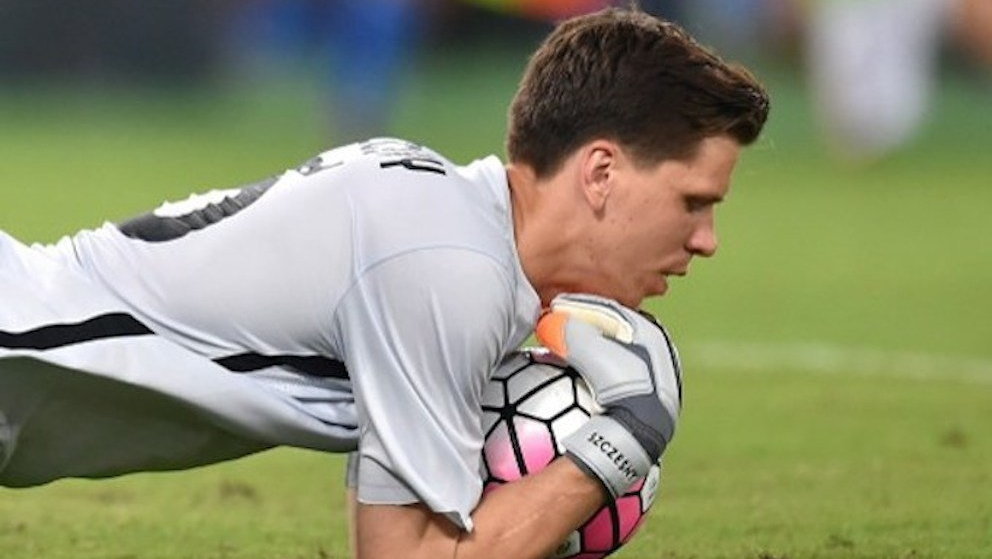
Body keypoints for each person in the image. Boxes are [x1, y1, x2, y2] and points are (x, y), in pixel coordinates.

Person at [0, 8, 768, 559]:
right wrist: (622, 440)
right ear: (601, 172)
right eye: (693, 201)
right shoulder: (448, 264)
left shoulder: (453, 229)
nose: (705, 240)